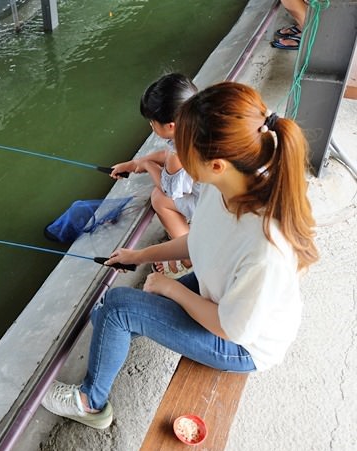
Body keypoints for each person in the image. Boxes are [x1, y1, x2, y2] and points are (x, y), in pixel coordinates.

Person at [40, 82, 319, 429]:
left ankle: (89, 402)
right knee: (121, 309)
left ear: (215, 164)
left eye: (184, 151)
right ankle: (117, 325)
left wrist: (170, 288)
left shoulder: (266, 249)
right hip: (217, 293)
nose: (177, 159)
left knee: (117, 306)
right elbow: (199, 241)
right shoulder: (227, 186)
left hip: (243, 344)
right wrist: (138, 255)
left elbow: (231, 329)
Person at [110, 73, 199, 277]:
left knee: (159, 199)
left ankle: (188, 255)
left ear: (170, 126)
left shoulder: (180, 154)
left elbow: (169, 189)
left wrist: (149, 165)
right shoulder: (196, 124)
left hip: (213, 206)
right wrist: (134, 164)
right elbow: (167, 154)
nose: (151, 125)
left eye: (152, 121)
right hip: (220, 194)